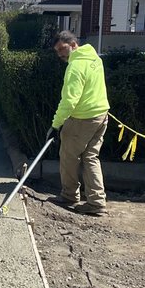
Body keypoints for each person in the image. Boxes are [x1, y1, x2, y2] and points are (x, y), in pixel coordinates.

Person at [47, 30, 110, 216]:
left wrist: (56, 125)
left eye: (62, 49)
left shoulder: (75, 67)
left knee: (68, 156)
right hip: (101, 114)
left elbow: (69, 101)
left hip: (82, 117)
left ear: (73, 44)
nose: (60, 54)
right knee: (90, 157)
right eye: (57, 51)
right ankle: (97, 201)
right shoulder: (95, 59)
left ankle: (69, 195)